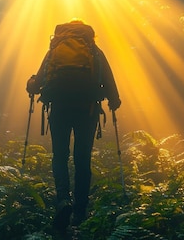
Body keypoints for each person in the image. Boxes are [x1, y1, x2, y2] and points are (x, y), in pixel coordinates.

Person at [26, 20, 121, 230]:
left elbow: (38, 83)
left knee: (59, 156)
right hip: (87, 110)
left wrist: (30, 84)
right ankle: (80, 211)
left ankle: (62, 200)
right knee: (82, 159)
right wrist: (114, 101)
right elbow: (110, 81)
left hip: (59, 108)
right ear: (89, 34)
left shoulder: (53, 51)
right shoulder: (94, 51)